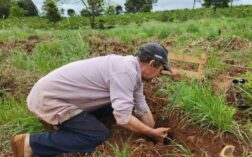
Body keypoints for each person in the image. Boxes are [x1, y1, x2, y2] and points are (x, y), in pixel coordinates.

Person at [11, 43, 172, 157]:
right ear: (152, 63)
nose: (159, 74)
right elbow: (122, 118)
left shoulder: (133, 71)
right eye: (160, 69)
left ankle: (68, 125)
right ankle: (29, 144)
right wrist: (150, 132)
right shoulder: (126, 72)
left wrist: (153, 130)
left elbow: (140, 104)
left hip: (63, 96)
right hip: (51, 99)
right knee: (98, 134)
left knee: (117, 104)